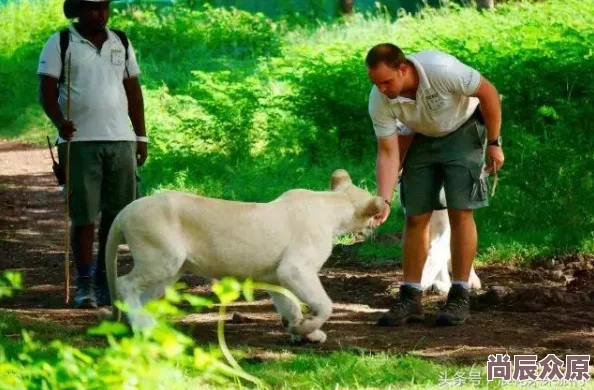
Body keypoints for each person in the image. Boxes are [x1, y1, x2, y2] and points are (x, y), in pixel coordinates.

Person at [366, 43, 504, 326]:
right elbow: (389, 152)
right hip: (421, 137)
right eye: (376, 83)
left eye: (387, 81)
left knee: (460, 209)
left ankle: (460, 294)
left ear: (403, 68)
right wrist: (385, 198)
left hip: (462, 130)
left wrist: (494, 143)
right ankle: (410, 297)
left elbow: (487, 92)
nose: (382, 89)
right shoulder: (379, 99)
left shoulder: (442, 70)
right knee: (415, 214)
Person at [37, 0, 147, 308]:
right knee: (84, 215)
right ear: (78, 10)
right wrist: (60, 123)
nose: (100, 14)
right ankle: (84, 283)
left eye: (104, 7)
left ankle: (104, 280)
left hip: (121, 140)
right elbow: (45, 90)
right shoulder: (60, 42)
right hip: (79, 142)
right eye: (92, 8)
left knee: (118, 216)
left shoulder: (120, 41)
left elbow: (133, 91)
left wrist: (141, 137)